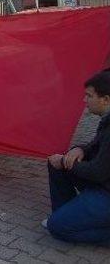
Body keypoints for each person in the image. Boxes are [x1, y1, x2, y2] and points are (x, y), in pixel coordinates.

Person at [44, 71, 110, 244]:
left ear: (106, 100)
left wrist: (67, 163)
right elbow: (96, 146)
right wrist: (79, 149)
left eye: (89, 96)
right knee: (57, 164)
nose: (84, 100)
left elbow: (98, 172)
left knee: (56, 228)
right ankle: (68, 215)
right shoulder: (107, 120)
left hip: (105, 190)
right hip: (103, 183)